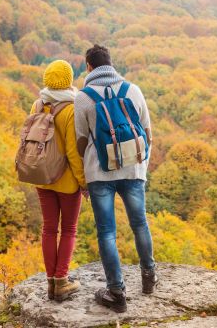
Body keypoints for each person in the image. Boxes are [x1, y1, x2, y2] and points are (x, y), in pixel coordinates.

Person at [75, 45, 158, 313]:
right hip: (133, 170)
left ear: (89, 67)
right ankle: (149, 277)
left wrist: (86, 173)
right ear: (111, 64)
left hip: (100, 173)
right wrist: (141, 164)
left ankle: (116, 291)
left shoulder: (84, 97)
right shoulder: (132, 90)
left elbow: (81, 140)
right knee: (139, 223)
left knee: (107, 232)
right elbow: (146, 130)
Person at [33, 60, 87, 301]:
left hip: (42, 177)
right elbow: (75, 154)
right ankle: (61, 281)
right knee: (68, 229)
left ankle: (50, 284)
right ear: (69, 80)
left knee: (48, 229)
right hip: (66, 182)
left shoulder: (38, 103)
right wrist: (84, 182)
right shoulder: (71, 109)